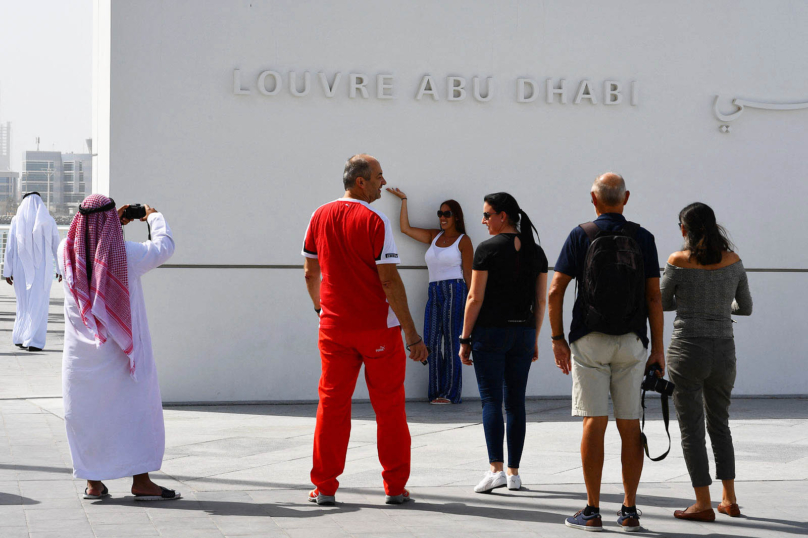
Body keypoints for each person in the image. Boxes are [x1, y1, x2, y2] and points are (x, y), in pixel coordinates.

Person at [302, 154, 428, 506]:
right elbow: (389, 280)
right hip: (377, 329)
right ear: (361, 182)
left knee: (331, 406)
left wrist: (320, 309)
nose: (383, 182)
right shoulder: (376, 219)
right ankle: (395, 488)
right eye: (379, 176)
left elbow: (310, 272)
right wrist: (411, 333)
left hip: (334, 329)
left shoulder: (318, 215)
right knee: (389, 409)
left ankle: (325, 487)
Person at [548, 173, 664, 532]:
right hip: (631, 341)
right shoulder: (643, 237)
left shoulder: (581, 234)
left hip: (590, 339)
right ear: (625, 198)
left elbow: (555, 290)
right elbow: (654, 297)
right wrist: (658, 349)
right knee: (629, 424)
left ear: (593, 199)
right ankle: (629, 511)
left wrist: (557, 338)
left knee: (593, 422)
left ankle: (592, 510)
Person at [60, 194, 178, 501]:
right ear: (112, 221)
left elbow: (94, 247)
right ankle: (142, 481)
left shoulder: (65, 250)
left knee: (87, 417)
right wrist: (153, 216)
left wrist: (112, 225)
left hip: (80, 360)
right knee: (136, 413)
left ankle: (93, 483)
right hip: (123, 357)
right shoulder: (126, 254)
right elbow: (164, 246)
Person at [662, 203, 752, 522]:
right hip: (724, 350)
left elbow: (661, 301)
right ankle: (729, 499)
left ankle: (702, 503)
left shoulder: (678, 260)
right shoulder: (734, 261)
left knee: (691, 428)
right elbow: (745, 307)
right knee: (720, 424)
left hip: (687, 349)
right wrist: (720, 306)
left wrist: (688, 302)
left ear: (684, 229)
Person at [458, 192, 547, 493]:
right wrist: (534, 337)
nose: (483, 220)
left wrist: (464, 338)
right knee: (516, 402)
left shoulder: (487, 249)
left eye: (487, 215)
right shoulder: (536, 251)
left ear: (502, 216)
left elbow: (475, 297)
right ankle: (514, 474)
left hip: (491, 333)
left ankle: (495, 469)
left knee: (492, 400)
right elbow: (540, 301)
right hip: (523, 333)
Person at [386, 187, 472, 404]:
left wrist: (474, 305)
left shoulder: (463, 240)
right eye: (440, 213)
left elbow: (470, 276)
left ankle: (450, 394)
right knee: (431, 341)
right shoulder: (435, 236)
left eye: (447, 214)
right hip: (433, 291)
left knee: (452, 343)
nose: (442, 217)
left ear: (456, 217)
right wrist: (404, 200)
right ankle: (435, 392)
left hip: (455, 290)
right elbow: (405, 229)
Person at [3, 192, 62, 351]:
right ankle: (33, 341)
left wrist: (7, 271)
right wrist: (60, 268)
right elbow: (57, 246)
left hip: (20, 268)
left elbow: (10, 247)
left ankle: (20, 337)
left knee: (23, 303)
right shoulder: (48, 221)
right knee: (39, 302)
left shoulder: (16, 221)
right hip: (42, 269)